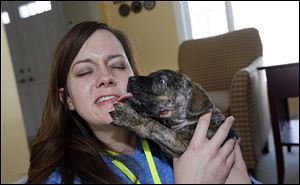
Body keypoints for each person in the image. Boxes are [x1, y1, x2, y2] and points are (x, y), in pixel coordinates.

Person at [26, 21, 259, 184]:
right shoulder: (61, 177)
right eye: (85, 71)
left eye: (117, 65)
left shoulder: (182, 136)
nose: (106, 77)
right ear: (67, 99)